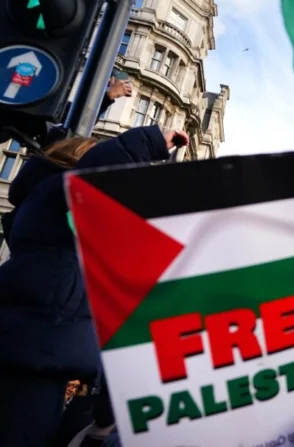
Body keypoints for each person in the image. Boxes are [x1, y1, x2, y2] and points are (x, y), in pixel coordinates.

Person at [0, 125, 188, 447]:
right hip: (33, 354)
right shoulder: (57, 194)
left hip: (41, 352)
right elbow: (97, 174)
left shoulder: (53, 213)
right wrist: (152, 142)